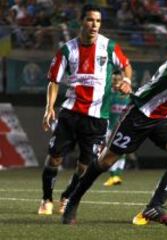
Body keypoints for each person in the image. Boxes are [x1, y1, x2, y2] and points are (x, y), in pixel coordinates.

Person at [62, 40, 167, 225]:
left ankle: (154, 206)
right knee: (105, 161)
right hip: (140, 113)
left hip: (165, 118)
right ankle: (73, 200)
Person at [38, 4, 132, 215]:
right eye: (90, 20)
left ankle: (67, 196)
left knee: (85, 166)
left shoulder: (109, 47)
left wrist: (126, 80)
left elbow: (126, 65)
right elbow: (53, 80)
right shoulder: (67, 50)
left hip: (97, 118)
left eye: (98, 21)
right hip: (70, 113)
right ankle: (46, 199)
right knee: (55, 158)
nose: (94, 25)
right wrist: (49, 108)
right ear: (81, 22)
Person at [103, 90, 136, 187]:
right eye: (114, 80)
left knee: (116, 152)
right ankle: (115, 176)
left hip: (120, 128)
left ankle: (114, 176)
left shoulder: (129, 97)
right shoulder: (111, 95)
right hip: (113, 128)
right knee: (116, 152)